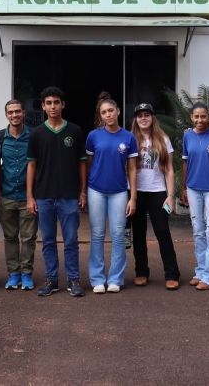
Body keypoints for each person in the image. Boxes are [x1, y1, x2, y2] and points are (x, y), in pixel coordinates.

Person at [26, 87, 87, 298]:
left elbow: (82, 163)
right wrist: (30, 196)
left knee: (71, 240)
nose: (53, 106)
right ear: (43, 106)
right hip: (43, 196)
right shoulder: (36, 133)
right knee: (48, 241)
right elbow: (31, 166)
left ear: (63, 105)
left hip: (69, 195)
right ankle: (51, 279)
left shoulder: (75, 131)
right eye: (49, 103)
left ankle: (73, 279)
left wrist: (83, 191)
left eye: (56, 102)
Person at [86, 98, 138, 293]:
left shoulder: (129, 137)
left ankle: (115, 278)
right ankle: (97, 279)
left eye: (110, 110)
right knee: (97, 235)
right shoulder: (93, 136)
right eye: (103, 112)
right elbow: (89, 165)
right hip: (96, 190)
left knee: (118, 235)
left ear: (118, 111)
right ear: (100, 116)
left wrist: (133, 197)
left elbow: (132, 169)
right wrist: (85, 189)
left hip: (119, 192)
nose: (107, 115)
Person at [129, 103, 180, 290]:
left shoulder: (163, 139)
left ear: (152, 118)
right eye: (140, 115)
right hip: (136, 192)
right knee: (138, 233)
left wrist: (171, 195)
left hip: (157, 192)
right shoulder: (130, 139)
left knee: (163, 232)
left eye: (147, 115)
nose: (143, 118)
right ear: (136, 119)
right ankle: (141, 272)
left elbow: (169, 169)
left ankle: (172, 274)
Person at [180, 102, 209, 291]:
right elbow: (185, 163)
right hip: (192, 188)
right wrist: (183, 188)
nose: (200, 120)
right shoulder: (187, 136)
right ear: (191, 117)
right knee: (198, 230)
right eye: (196, 116)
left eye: (203, 116)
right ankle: (200, 271)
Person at [0, 99, 38, 290]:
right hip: (7, 194)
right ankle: (13, 274)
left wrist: (32, 195)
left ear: (23, 113)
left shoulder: (34, 136)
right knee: (10, 236)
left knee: (28, 237)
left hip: (28, 196)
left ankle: (26, 273)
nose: (14, 115)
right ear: (6, 115)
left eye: (18, 111)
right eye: (10, 112)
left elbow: (37, 165)